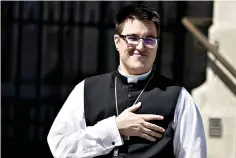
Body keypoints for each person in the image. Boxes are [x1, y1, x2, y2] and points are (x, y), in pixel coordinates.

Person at [47, 4, 207, 158]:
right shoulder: (86, 89)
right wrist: (114, 128)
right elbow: (60, 147)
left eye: (150, 39)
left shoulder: (178, 97)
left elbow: (194, 153)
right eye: (132, 38)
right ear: (117, 42)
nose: (141, 46)